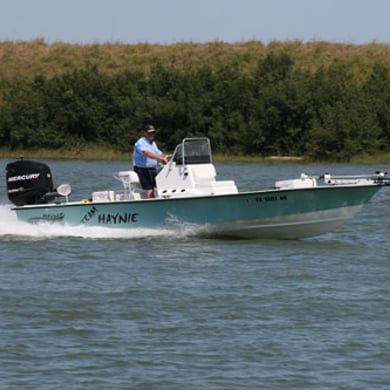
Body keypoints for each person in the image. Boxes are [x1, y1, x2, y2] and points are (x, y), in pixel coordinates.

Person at [133, 124, 168, 198]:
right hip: (142, 169)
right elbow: (147, 153)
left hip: (152, 168)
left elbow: (159, 153)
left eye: (153, 133)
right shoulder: (140, 142)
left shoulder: (153, 143)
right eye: (149, 133)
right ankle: (151, 205)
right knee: (150, 188)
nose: (151, 135)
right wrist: (160, 158)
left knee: (158, 185)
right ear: (145, 133)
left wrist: (168, 157)